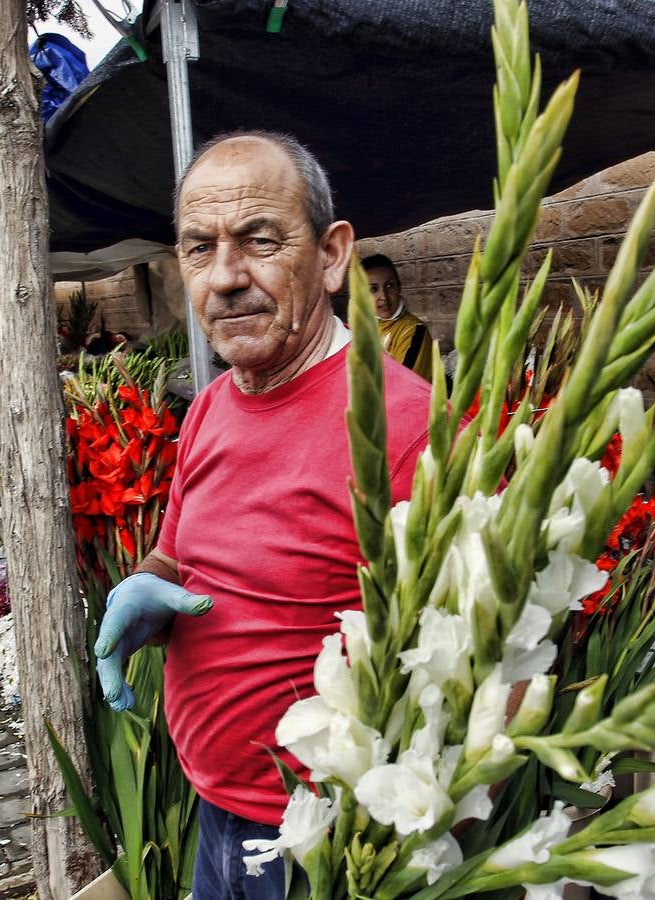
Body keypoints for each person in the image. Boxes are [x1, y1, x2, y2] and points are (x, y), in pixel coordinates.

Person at [92, 132, 432, 898]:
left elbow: (485, 667)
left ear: (334, 254)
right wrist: (146, 585)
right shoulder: (212, 406)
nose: (225, 278)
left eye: (259, 241)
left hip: (329, 839)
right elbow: (176, 553)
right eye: (198, 248)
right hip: (213, 807)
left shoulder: (408, 427)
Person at [362, 253, 435, 381]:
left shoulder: (414, 332)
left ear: (399, 287)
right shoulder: (358, 330)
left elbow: (403, 386)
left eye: (389, 286)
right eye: (373, 289)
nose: (383, 296)